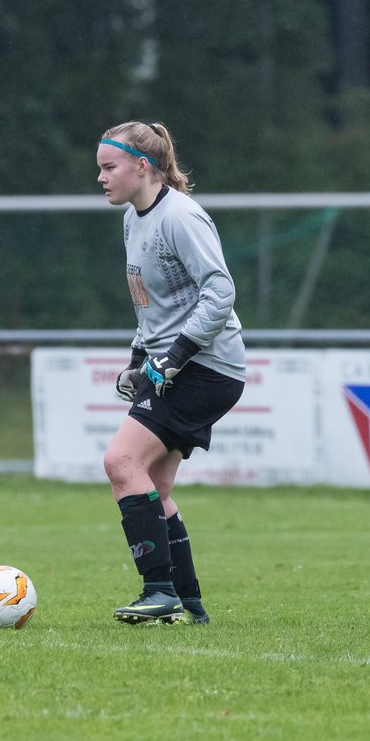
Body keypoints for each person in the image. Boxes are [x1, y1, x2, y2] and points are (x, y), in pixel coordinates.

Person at [96, 121, 247, 625]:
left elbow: (220, 292)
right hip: (186, 366)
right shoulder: (133, 220)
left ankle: (157, 591)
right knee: (153, 487)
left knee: (120, 462)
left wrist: (175, 355)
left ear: (143, 166)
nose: (101, 177)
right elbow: (153, 308)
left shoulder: (181, 217)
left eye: (108, 167)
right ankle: (189, 603)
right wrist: (140, 361)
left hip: (205, 366)